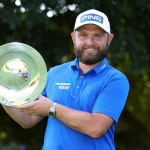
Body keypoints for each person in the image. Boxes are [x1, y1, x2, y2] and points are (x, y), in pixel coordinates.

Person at [2, 9, 130, 150]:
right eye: (83, 35)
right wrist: (5, 93)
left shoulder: (115, 80)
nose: (90, 42)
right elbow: (27, 120)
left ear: (109, 39)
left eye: (98, 36)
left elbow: (96, 127)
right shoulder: (54, 73)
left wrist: (52, 108)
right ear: (73, 37)